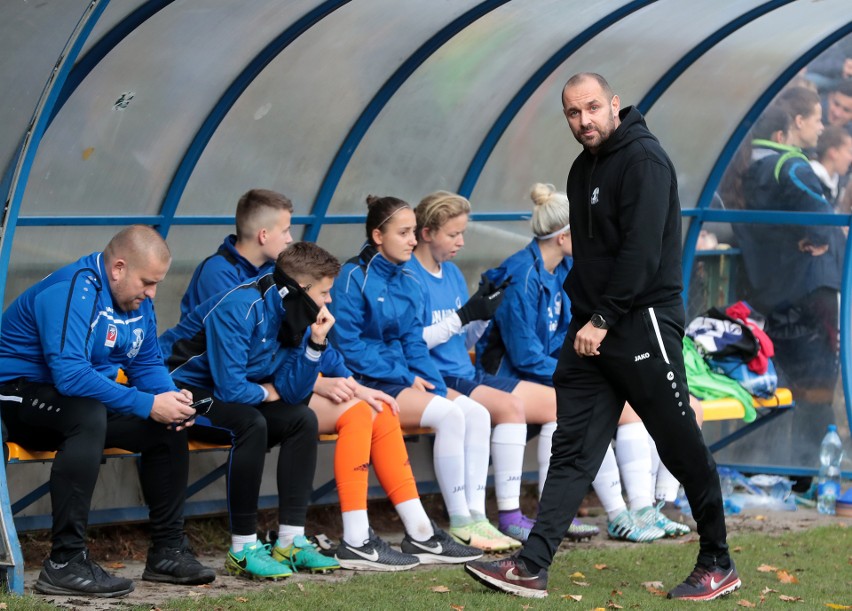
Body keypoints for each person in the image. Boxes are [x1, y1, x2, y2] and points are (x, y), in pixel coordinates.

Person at [465, 73, 739, 601]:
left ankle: (717, 561)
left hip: (641, 323)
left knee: (679, 444)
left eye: (592, 108)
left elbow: (640, 254)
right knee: (573, 447)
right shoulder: (581, 167)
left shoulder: (644, 162)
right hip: (592, 330)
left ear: (614, 104)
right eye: (573, 113)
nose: (584, 120)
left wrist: (603, 319)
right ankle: (531, 566)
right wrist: (584, 319)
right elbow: (590, 256)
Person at [0, 226, 215, 597]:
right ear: (118, 268)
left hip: (70, 402)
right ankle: (65, 562)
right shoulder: (76, 289)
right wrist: (148, 403)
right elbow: (70, 375)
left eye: (157, 284)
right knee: (88, 414)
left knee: (166, 427)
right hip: (15, 394)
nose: (152, 294)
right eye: (147, 282)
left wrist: (170, 401)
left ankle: (167, 552)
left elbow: (145, 363)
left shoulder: (137, 303)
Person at [274, 242, 483, 569]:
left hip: (304, 389)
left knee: (380, 408)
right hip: (256, 400)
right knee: (359, 413)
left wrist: (359, 388)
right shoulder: (267, 303)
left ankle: (420, 530)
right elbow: (274, 373)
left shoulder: (311, 310)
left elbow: (331, 357)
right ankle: (356, 539)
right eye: (325, 292)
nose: (330, 299)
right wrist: (320, 380)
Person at [329, 195, 502, 551]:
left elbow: (412, 342)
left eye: (412, 232)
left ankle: (475, 517)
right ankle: (459, 522)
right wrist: (407, 377)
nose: (412, 240)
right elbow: (349, 347)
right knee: (451, 414)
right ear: (378, 235)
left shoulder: (407, 277)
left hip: (399, 377)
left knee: (472, 410)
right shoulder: (352, 276)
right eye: (404, 232)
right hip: (366, 382)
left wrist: (433, 385)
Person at [408, 190, 556, 548]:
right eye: (452, 234)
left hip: (465, 370)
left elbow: (465, 339)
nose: (460, 242)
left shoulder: (454, 274)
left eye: (463, 234)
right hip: (437, 375)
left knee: (559, 404)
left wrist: (481, 316)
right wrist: (464, 315)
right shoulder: (410, 276)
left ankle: (541, 513)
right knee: (509, 407)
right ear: (427, 234)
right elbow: (412, 341)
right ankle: (500, 516)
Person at [179, 188, 293, 319]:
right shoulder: (217, 273)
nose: (289, 239)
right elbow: (239, 328)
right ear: (263, 235)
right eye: (285, 231)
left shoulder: (272, 270)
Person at [810, 125, 852, 206]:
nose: (851, 158)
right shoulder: (810, 179)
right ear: (833, 152)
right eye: (849, 152)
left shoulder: (837, 185)